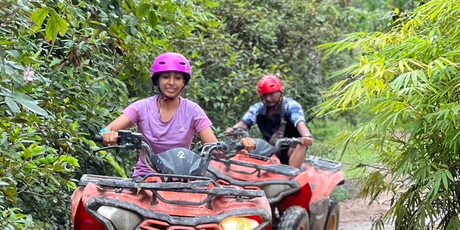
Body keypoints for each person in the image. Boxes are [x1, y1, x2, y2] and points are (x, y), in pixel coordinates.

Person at [101, 52, 255, 177]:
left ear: (184, 82)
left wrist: (240, 147)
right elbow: (106, 130)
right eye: (166, 77)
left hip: (183, 179)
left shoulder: (193, 111)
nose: (171, 83)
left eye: (178, 78)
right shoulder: (141, 108)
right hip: (145, 177)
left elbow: (214, 149)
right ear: (157, 80)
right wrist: (109, 135)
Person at [225, 75, 314, 169]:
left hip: (290, 149)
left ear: (280, 92)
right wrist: (233, 130)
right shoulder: (258, 108)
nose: (268, 98)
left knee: (300, 144)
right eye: (265, 95)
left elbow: (300, 122)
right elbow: (244, 123)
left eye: (271, 94)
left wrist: (307, 136)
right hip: (270, 150)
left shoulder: (291, 105)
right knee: (247, 146)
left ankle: (291, 176)